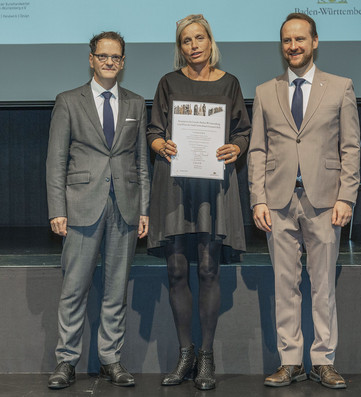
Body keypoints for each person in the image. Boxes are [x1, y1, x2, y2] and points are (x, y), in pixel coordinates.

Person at [247, 13, 360, 390]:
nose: (292, 46)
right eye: (286, 40)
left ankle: (323, 360)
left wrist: (347, 196)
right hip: (278, 202)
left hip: (326, 201)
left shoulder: (340, 87)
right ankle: (291, 360)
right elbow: (258, 150)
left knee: (323, 285)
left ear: (314, 42)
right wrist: (257, 198)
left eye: (299, 39)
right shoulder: (265, 91)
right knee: (285, 285)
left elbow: (350, 147)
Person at [147, 14, 250, 391]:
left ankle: (206, 357)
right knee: (176, 271)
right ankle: (185, 354)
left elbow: (243, 131)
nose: (193, 45)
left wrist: (234, 148)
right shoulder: (168, 83)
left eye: (199, 38)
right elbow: (154, 128)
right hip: (174, 184)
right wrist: (161, 144)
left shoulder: (230, 83)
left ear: (210, 42)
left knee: (208, 269)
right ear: (181, 47)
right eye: (186, 40)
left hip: (214, 186)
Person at [45, 31, 149, 389]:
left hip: (125, 206)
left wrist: (145, 208)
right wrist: (57, 208)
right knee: (74, 288)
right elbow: (56, 161)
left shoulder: (136, 104)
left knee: (116, 288)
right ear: (91, 59)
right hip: (80, 207)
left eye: (116, 57)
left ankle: (111, 359)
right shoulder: (68, 101)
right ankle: (66, 361)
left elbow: (141, 162)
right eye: (103, 56)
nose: (109, 62)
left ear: (123, 62)